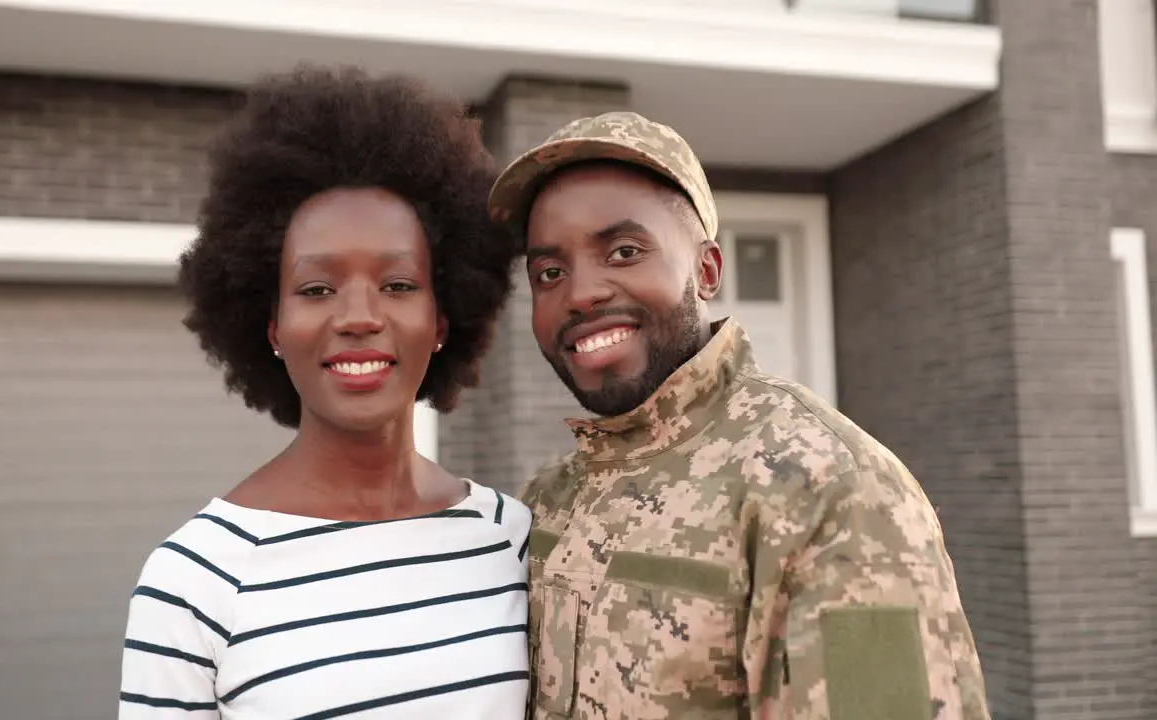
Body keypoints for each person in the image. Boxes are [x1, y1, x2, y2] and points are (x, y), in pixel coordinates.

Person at [487, 111, 990, 720]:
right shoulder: (548, 497)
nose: (581, 293)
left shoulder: (830, 490)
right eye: (549, 273)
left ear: (706, 271)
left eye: (623, 251)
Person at [117, 66, 530, 719]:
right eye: (316, 289)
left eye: (398, 285)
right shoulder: (196, 577)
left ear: (443, 321)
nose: (359, 316)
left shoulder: (511, 538)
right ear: (274, 328)